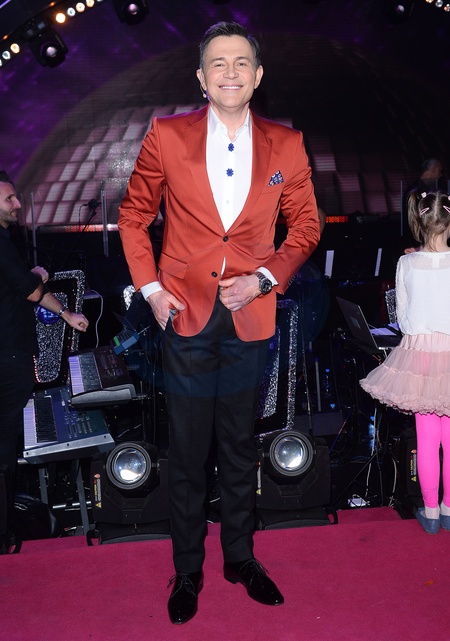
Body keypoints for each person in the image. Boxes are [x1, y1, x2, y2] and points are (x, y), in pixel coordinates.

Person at [118, 21, 320, 624]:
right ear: (202, 79)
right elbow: (133, 216)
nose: (230, 72)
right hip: (183, 315)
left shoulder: (288, 144)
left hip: (250, 317)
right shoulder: (166, 135)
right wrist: (152, 290)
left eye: (240, 63)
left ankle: (240, 558)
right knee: (187, 450)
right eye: (218, 63)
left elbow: (306, 227)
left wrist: (263, 279)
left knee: (237, 446)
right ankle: (187, 569)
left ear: (257, 77)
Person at [360, 190, 450, 535]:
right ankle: (448, 510)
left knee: (427, 439)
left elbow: (402, 318)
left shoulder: (406, 263)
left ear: (419, 223)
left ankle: (431, 513)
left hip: (420, 354)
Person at [0, 171, 89, 479]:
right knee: (5, 436)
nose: (17, 205)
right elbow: (32, 290)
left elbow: (24, 288)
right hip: (9, 355)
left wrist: (65, 314)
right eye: (9, 199)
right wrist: (38, 273)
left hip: (10, 353)